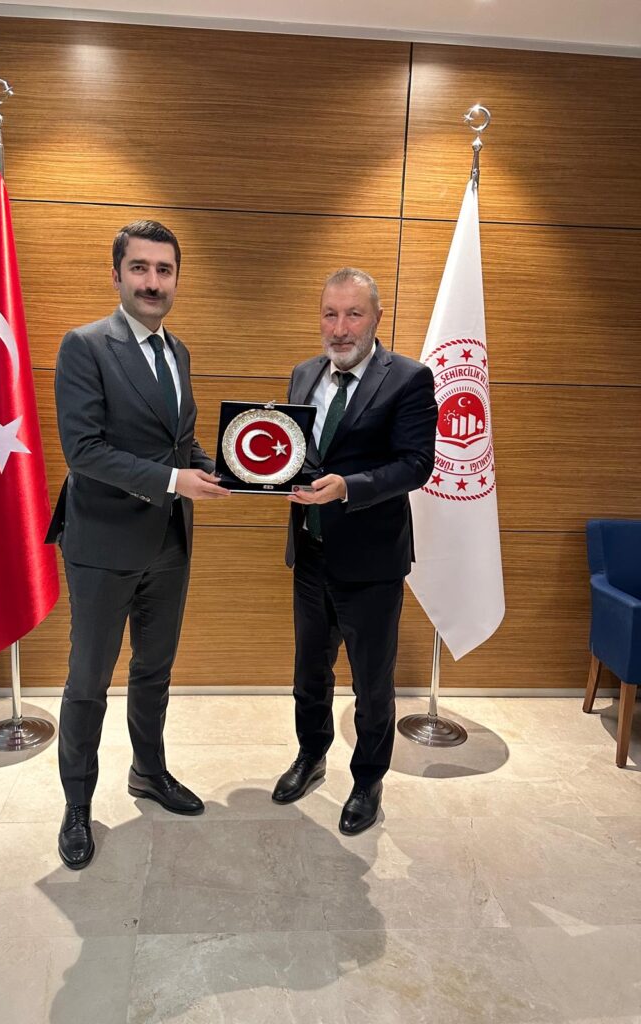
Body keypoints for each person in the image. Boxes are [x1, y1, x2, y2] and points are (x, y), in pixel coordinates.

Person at [46, 220, 229, 869]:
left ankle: (148, 772)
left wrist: (233, 470)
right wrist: (175, 481)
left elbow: (180, 443)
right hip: (102, 543)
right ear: (118, 274)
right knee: (89, 680)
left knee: (154, 669)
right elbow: (84, 451)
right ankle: (77, 803)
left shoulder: (178, 352)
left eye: (165, 270)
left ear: (177, 279)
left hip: (169, 542)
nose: (153, 282)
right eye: (141, 268)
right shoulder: (85, 346)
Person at [272, 267, 437, 835]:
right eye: (330, 314)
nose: (340, 329)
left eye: (353, 315)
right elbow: (294, 451)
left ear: (376, 318)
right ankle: (311, 755)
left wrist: (349, 487)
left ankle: (368, 780)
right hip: (310, 553)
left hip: (371, 563)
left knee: (371, 683)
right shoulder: (303, 374)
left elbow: (416, 464)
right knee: (309, 673)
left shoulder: (409, 379)